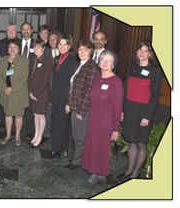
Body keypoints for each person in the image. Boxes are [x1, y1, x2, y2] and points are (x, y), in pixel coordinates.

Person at [118, 40, 162, 180]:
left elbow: (155, 96)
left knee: (141, 142)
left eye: (145, 51)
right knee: (131, 141)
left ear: (150, 54)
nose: (142, 53)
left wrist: (147, 116)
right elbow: (125, 91)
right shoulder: (132, 67)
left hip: (144, 112)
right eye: (140, 50)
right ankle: (129, 169)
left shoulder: (155, 71)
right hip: (130, 109)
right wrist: (122, 110)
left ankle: (136, 172)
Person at [82, 50, 124, 186]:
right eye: (102, 59)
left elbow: (118, 107)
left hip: (106, 121)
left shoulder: (116, 82)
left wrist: (115, 128)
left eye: (108, 60)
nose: (105, 62)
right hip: (94, 118)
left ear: (113, 64)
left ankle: (99, 174)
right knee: (93, 145)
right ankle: (96, 173)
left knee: (101, 147)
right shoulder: (97, 78)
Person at [64, 40, 99, 169]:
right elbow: (72, 86)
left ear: (91, 52)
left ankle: (78, 162)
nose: (82, 52)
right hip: (74, 105)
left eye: (86, 50)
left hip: (83, 108)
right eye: (80, 49)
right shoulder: (79, 65)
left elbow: (89, 92)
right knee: (75, 135)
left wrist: (81, 111)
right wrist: (68, 103)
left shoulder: (92, 67)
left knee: (80, 136)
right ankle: (77, 158)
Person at [49, 34, 78, 159]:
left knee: (60, 124)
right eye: (60, 44)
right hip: (56, 96)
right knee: (63, 124)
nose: (62, 47)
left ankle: (56, 149)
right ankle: (64, 148)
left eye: (65, 44)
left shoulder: (72, 61)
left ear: (70, 46)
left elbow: (72, 84)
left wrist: (68, 102)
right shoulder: (57, 58)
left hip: (65, 98)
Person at [0, 39, 29, 147]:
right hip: (6, 92)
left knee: (19, 115)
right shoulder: (3, 60)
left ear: (19, 49)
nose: (12, 50)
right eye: (10, 47)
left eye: (15, 47)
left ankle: (18, 136)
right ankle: (8, 135)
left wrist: (12, 88)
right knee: (8, 114)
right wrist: (4, 87)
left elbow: (23, 78)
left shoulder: (24, 60)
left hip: (18, 92)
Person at [28, 39, 53, 147]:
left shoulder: (47, 60)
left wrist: (36, 93)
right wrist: (30, 91)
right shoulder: (33, 59)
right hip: (32, 92)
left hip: (42, 93)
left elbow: (45, 80)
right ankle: (36, 135)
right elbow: (29, 76)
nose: (36, 49)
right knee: (35, 114)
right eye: (34, 47)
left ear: (43, 48)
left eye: (38, 47)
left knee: (41, 116)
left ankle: (40, 137)